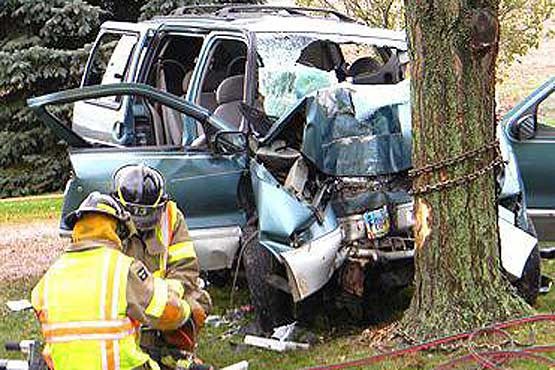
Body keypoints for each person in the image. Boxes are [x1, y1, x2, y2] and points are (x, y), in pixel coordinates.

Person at [30, 192, 199, 370]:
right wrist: (188, 311)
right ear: (119, 230)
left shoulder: (46, 281)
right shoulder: (124, 269)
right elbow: (169, 312)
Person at [111, 164, 212, 366]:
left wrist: (168, 298)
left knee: (198, 303)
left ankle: (175, 352)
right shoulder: (105, 220)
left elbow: (185, 267)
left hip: (162, 297)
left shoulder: (171, 217)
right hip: (119, 301)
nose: (140, 224)